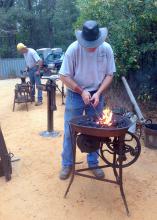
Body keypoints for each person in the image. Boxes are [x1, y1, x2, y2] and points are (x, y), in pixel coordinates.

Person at [59, 20, 116, 180]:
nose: (91, 46)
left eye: (94, 43)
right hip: (75, 94)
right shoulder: (73, 49)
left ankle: (93, 163)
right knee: (70, 131)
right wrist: (81, 90)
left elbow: (110, 75)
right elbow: (63, 76)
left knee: (96, 130)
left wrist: (98, 93)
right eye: (88, 43)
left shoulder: (106, 49)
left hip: (97, 94)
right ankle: (67, 164)